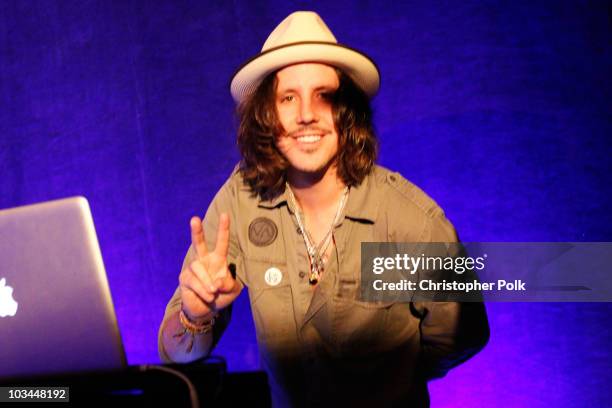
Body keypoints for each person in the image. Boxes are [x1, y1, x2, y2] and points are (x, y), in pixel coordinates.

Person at [158, 11, 489, 407]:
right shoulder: (239, 201)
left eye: (324, 96)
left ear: (346, 110)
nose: (305, 115)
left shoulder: (411, 220)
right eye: (287, 98)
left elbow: (463, 336)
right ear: (267, 113)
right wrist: (196, 315)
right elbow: (176, 353)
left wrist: (389, 379)